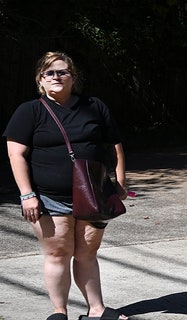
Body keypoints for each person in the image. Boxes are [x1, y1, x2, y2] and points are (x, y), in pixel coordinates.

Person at [3, 52, 129, 320]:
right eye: (49, 73)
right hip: (48, 197)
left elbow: (114, 144)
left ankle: (97, 310)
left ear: (73, 77)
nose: (56, 77)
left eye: (62, 72)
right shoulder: (29, 111)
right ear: (41, 80)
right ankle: (59, 312)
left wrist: (120, 180)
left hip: (93, 195)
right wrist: (27, 195)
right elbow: (16, 154)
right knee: (58, 253)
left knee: (87, 253)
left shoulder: (94, 106)